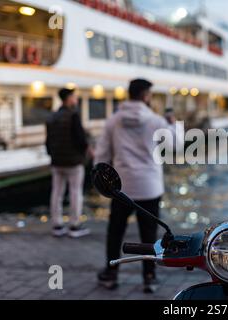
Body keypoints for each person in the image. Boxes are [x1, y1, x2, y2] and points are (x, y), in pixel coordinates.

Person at [95, 79, 176, 293]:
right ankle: (149, 277)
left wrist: (102, 182)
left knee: (116, 232)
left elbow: (102, 154)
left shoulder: (113, 121)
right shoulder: (156, 121)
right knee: (148, 236)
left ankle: (111, 274)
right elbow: (175, 144)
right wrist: (172, 124)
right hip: (149, 186)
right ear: (145, 95)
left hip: (121, 187)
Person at [46, 88, 91, 238]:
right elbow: (80, 139)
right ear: (69, 98)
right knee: (75, 192)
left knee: (56, 193)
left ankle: (57, 225)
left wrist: (52, 155)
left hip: (56, 161)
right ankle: (74, 225)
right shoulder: (73, 115)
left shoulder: (52, 116)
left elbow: (48, 141)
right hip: (73, 162)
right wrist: (86, 151)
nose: (76, 100)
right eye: (74, 97)